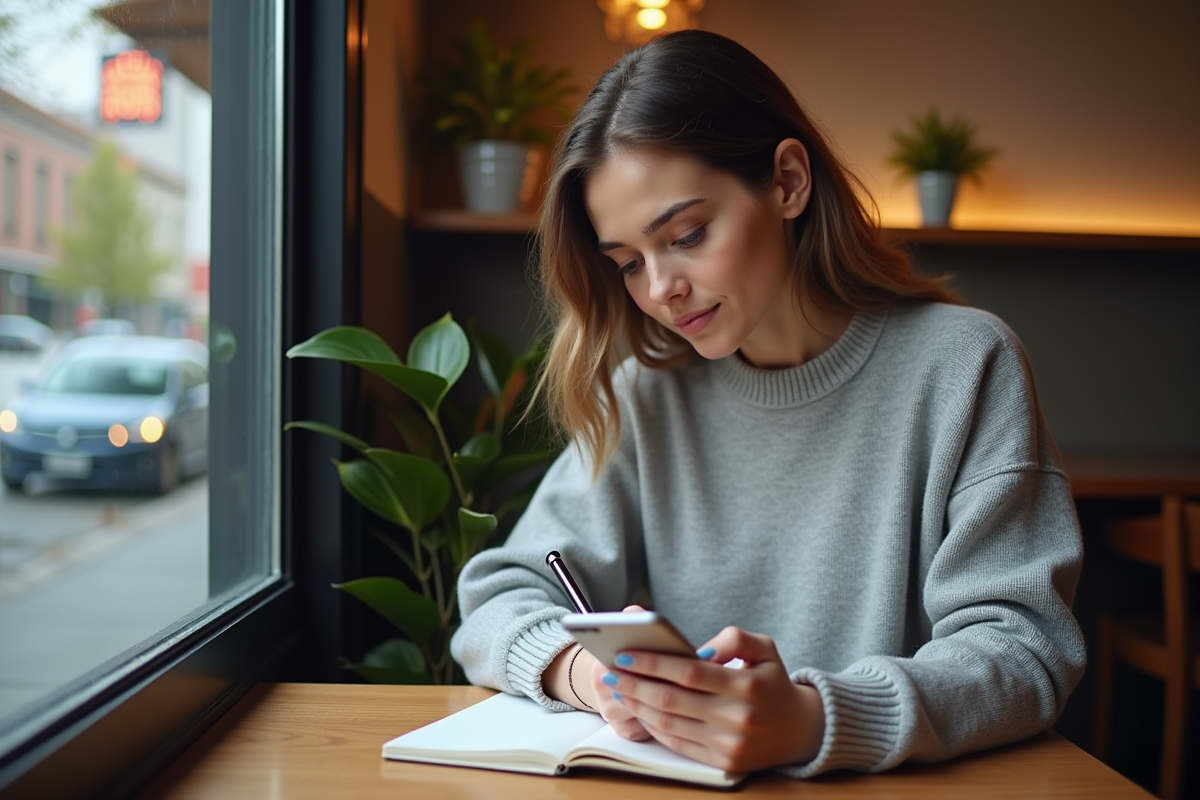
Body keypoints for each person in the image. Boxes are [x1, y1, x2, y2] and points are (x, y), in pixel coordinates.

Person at [450, 29, 1085, 778]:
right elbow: (498, 596)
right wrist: (593, 679)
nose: (659, 289)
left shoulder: (965, 364)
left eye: (687, 234)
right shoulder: (648, 395)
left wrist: (812, 719)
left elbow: (1023, 648)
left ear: (787, 181)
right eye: (627, 263)